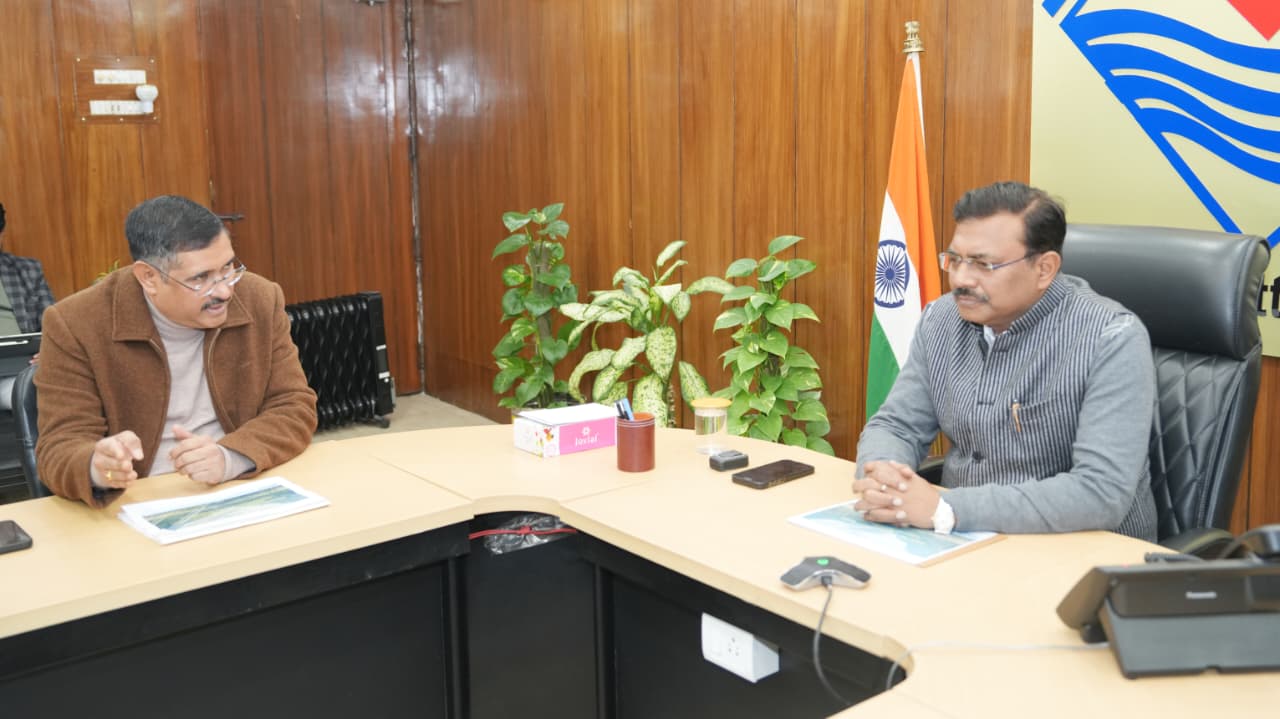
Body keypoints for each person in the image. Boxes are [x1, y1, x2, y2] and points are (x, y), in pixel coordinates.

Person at [852, 181, 1157, 541]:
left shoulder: (1111, 337)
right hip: (954, 538)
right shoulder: (941, 318)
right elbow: (897, 426)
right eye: (955, 260)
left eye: (984, 264)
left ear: (1044, 269)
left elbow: (1100, 492)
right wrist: (884, 479)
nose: (961, 279)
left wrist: (946, 509)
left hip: (1078, 549)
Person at [36, 195, 317, 506]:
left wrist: (231, 456)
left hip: (240, 485)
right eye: (200, 278)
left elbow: (294, 406)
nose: (225, 291)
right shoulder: (76, 324)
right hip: (136, 502)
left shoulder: (259, 298)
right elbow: (58, 447)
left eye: (228, 268)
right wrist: (98, 467)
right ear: (149, 278)